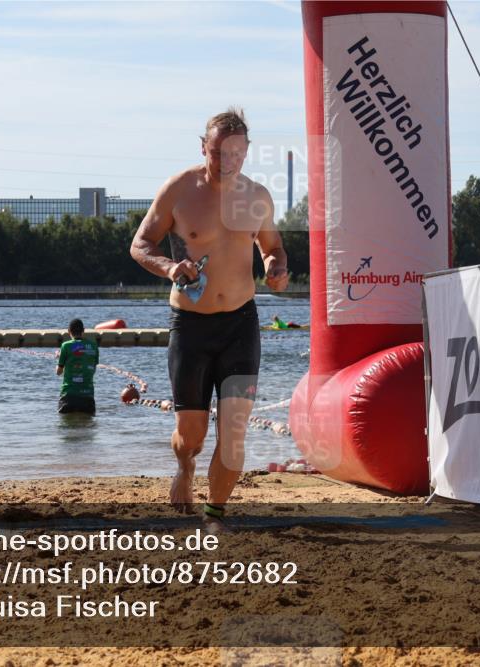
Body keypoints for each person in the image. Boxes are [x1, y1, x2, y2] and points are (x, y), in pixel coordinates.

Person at [129, 107, 289, 523]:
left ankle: (215, 513)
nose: (226, 162)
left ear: (246, 152)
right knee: (191, 436)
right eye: (217, 152)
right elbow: (140, 244)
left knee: (234, 433)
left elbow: (272, 247)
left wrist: (275, 267)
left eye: (235, 154)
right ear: (204, 147)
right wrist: (169, 268)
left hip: (240, 323)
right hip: (191, 327)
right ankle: (185, 467)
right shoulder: (179, 190)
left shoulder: (257, 197)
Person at [56, 318, 98, 415]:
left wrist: (58, 358)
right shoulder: (93, 346)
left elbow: (58, 372)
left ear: (69, 331)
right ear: (83, 331)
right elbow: (93, 371)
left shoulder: (65, 346)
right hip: (87, 397)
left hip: (68, 397)